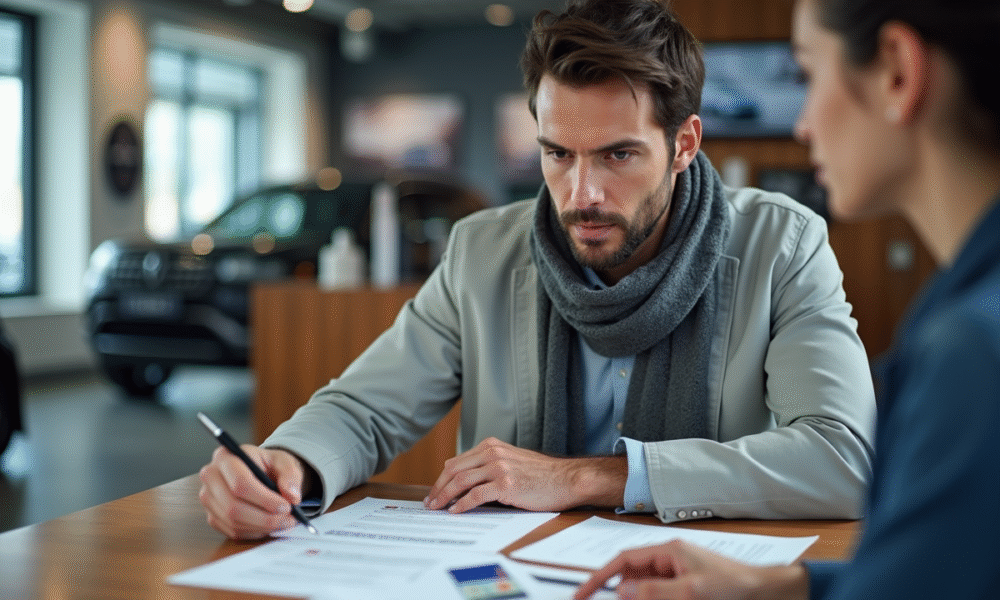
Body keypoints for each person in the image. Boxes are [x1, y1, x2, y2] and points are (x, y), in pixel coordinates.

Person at [198, 0, 877, 540]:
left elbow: (844, 460)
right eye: (557, 154)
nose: (581, 194)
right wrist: (287, 465)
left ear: (683, 145)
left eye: (617, 156)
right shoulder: (481, 252)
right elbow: (365, 409)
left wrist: (589, 478)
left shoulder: (783, 244)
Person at [574, 0, 1000, 599]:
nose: (801, 126)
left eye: (807, 75)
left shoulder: (973, 354)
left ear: (898, 73)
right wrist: (780, 585)